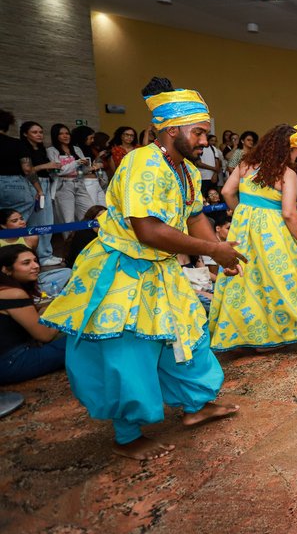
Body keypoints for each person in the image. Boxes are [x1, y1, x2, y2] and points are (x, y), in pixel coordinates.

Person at [40, 77, 242, 460]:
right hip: (124, 271)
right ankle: (127, 434)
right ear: (170, 130)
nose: (205, 141)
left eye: (206, 133)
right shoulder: (141, 164)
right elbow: (147, 230)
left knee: (186, 337)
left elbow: (194, 214)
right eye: (198, 133)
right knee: (129, 354)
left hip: (159, 270)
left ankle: (195, 406)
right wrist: (214, 251)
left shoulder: (183, 169)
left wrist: (218, 253)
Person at [208, 122, 297, 352]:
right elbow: (289, 213)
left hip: (243, 229)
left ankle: (243, 333)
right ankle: (272, 335)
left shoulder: (245, 164)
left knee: (246, 280)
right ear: (287, 149)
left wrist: (242, 212)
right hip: (272, 231)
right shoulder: (286, 173)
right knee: (276, 281)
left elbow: (226, 192)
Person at [0, 245, 66, 385]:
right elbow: (45, 336)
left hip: (9, 359)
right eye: (26, 263)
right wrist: (67, 311)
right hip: (12, 362)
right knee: (85, 340)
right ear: (5, 269)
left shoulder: (5, 291)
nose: (35, 266)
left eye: (35, 261)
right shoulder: (13, 294)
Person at [18, 122, 62, 266]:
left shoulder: (41, 149)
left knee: (47, 221)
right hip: (33, 185)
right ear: (25, 134)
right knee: (38, 222)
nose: (39, 135)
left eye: (41, 132)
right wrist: (46, 166)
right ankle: (41, 256)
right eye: (35, 132)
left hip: (46, 183)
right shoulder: (23, 148)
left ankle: (45, 254)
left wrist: (52, 169)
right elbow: (27, 169)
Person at [47, 123, 104, 227]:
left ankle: (87, 240)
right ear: (56, 136)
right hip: (63, 185)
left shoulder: (76, 149)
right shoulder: (51, 151)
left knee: (91, 213)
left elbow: (84, 170)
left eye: (67, 133)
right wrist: (77, 162)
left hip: (79, 182)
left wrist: (88, 165)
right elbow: (59, 171)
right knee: (68, 219)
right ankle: (69, 242)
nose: (65, 136)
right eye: (61, 134)